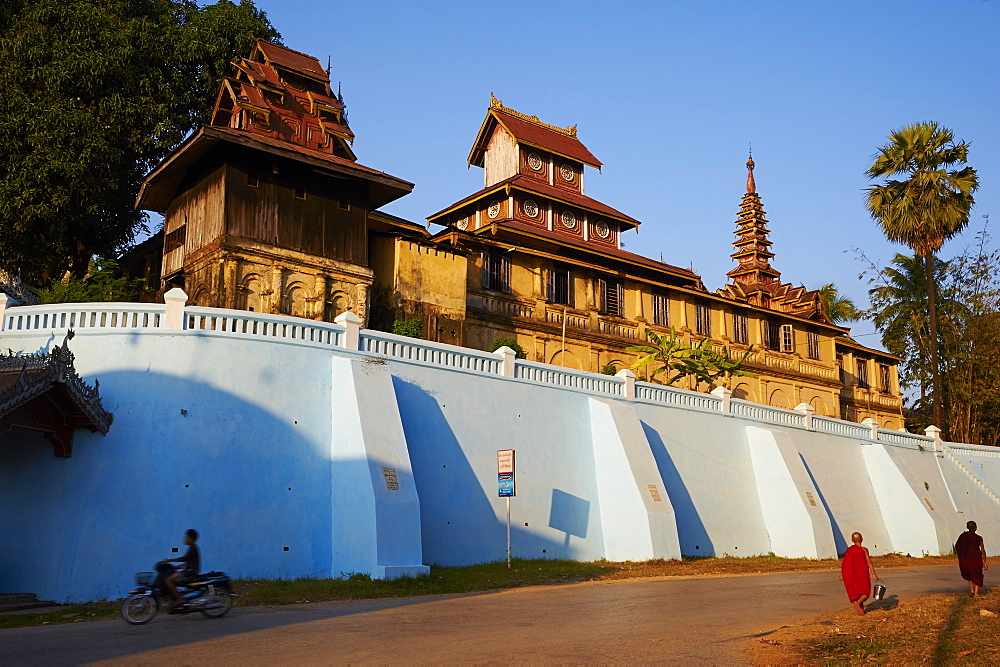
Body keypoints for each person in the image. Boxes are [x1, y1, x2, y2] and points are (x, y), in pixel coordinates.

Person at [840, 531, 879, 615]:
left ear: (852, 540)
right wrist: (874, 574)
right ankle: (858, 603)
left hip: (853, 573)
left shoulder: (849, 550)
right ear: (862, 539)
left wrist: (842, 574)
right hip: (863, 573)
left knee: (858, 591)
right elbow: (868, 562)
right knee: (866, 591)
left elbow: (845, 563)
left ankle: (861, 609)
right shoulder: (864, 549)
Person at [159, 528, 200, 605]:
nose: (185, 539)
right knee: (172, 578)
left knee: (168, 580)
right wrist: (174, 567)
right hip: (188, 572)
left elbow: (183, 559)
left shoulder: (193, 548)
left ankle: (180, 600)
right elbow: (186, 564)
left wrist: (168, 560)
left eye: (186, 537)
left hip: (189, 574)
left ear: (191, 539)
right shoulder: (192, 548)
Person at [956, 520, 988, 596]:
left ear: (967, 527)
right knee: (977, 574)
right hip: (976, 557)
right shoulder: (979, 538)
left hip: (966, 558)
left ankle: (972, 590)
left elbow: (957, 546)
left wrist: (962, 555)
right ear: (976, 528)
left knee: (969, 572)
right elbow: (983, 550)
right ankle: (976, 593)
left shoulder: (963, 536)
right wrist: (985, 561)